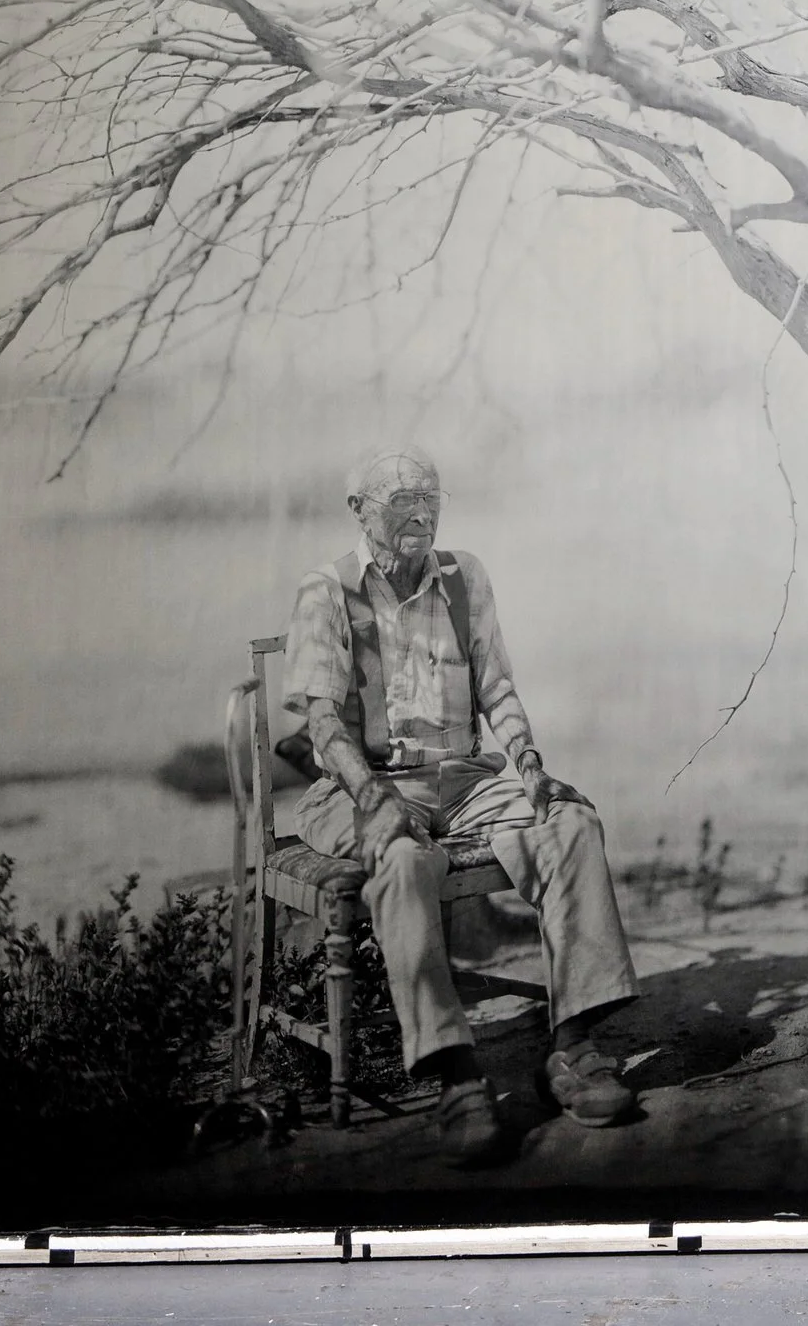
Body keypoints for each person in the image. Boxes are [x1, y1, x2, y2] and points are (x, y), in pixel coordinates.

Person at [282, 446, 639, 1166]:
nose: (420, 513)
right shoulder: (326, 592)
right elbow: (320, 725)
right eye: (401, 500)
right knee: (402, 860)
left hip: (466, 783)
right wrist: (375, 801)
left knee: (571, 822)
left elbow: (498, 690)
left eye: (430, 498)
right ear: (359, 511)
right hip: (358, 785)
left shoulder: (464, 576)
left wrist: (532, 769)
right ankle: (456, 1074)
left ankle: (572, 1048)